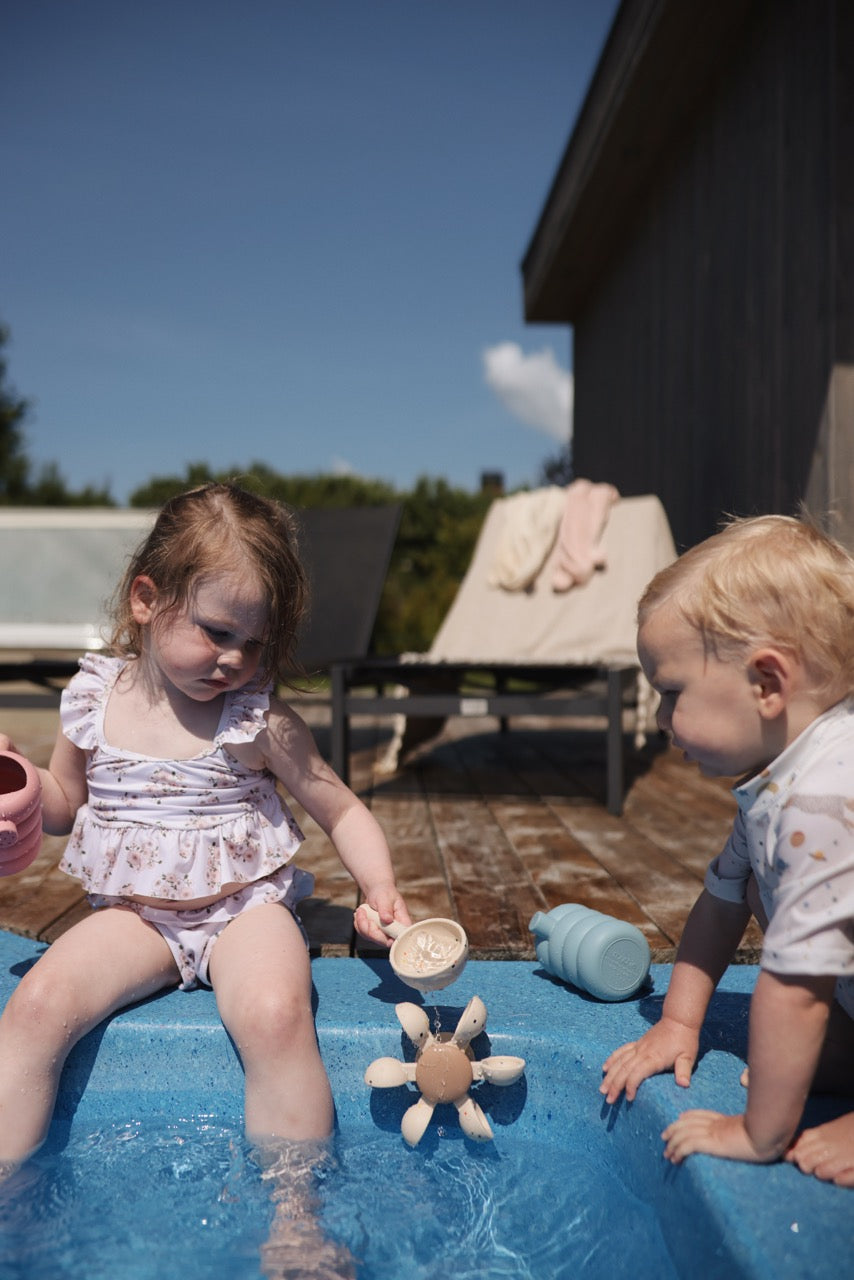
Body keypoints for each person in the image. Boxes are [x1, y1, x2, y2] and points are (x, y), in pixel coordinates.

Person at [0, 481, 412, 1178]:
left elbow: (340, 807)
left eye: (254, 644)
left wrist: (380, 890)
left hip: (243, 910)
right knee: (37, 1004)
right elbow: (69, 801)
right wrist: (25, 787)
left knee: (277, 1016)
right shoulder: (95, 699)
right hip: (137, 916)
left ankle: (296, 1214)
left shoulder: (258, 720)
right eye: (216, 632)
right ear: (146, 600)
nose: (234, 660)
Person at [599, 514, 854, 1187]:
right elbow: (720, 901)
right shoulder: (783, 778)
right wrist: (679, 1023)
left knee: (791, 1003)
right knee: (748, 894)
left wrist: (758, 1130)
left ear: (767, 684)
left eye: (671, 693)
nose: (659, 720)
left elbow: (795, 987)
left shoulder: (824, 799)